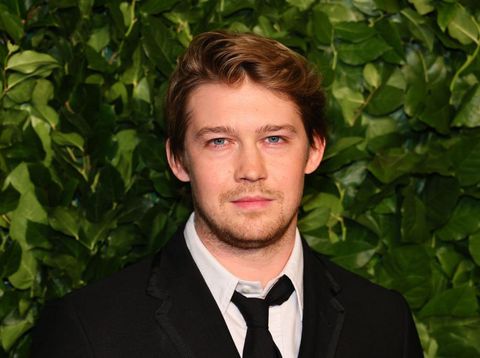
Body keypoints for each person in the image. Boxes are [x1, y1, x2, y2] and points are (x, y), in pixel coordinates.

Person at [31, 31, 423, 358]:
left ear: (314, 150)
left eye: (274, 138)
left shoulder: (384, 322)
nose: (250, 170)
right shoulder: (88, 331)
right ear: (179, 160)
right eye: (219, 141)